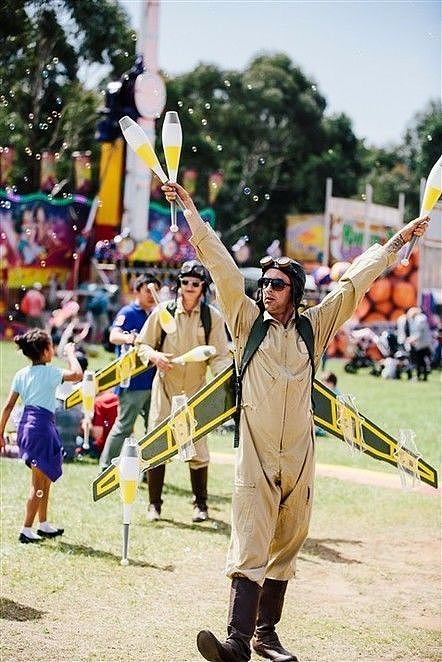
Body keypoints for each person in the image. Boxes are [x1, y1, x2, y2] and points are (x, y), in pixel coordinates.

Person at [162, 182, 429, 662]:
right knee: (250, 541)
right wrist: (189, 211)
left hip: (301, 456)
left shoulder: (315, 326)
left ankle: (267, 635)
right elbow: (221, 265)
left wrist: (398, 242)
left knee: (289, 540)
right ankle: (237, 642)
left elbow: (356, 282)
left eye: (277, 284)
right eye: (263, 283)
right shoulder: (244, 321)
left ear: (296, 291)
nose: (266, 290)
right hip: (256, 455)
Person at [136, 260, 231, 523]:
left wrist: (224, 377)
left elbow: (220, 356)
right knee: (157, 444)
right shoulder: (162, 312)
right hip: (164, 388)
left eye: (195, 283)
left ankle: (200, 505)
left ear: (203, 288)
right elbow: (142, 345)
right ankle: (154, 505)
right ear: (179, 284)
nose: (189, 287)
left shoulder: (213, 317)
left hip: (195, 392)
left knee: (199, 449)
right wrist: (154, 356)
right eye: (185, 282)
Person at [0, 330, 83, 543]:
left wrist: (0, 433)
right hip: (41, 429)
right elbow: (77, 374)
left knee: (44, 479)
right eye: (52, 347)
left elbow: (8, 406)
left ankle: (43, 524)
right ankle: (26, 529)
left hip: (28, 427)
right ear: (46, 351)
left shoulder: (21, 374)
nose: (53, 350)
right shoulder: (51, 372)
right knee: (37, 485)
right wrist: (71, 353)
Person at [98, 273, 160, 470]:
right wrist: (130, 339)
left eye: (155, 291)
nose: (152, 295)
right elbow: (113, 336)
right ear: (137, 291)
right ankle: (106, 468)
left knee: (154, 428)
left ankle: (148, 471)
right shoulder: (128, 311)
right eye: (148, 291)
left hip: (153, 381)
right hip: (132, 382)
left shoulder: (155, 315)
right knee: (124, 426)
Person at [407, 307, 433, 381]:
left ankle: (419, 376)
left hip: (422, 344)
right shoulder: (420, 319)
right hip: (423, 343)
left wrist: (411, 339)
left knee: (419, 361)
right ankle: (423, 377)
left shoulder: (419, 319)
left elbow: (418, 333)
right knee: (422, 361)